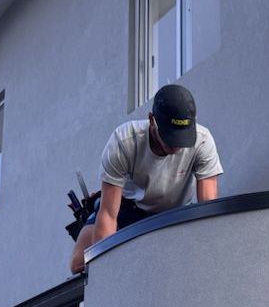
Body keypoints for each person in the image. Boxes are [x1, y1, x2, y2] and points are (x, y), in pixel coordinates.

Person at [69, 84, 222, 273]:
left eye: (181, 138)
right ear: (151, 120)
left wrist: (209, 257)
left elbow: (208, 211)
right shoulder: (124, 141)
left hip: (174, 213)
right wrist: (104, 270)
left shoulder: (203, 141)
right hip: (130, 208)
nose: (175, 146)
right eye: (169, 137)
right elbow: (108, 214)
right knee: (79, 262)